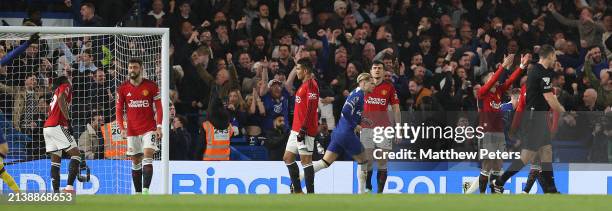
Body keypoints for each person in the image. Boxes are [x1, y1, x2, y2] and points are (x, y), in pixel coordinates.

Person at [492, 45, 565, 194]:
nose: (556, 59)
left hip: (538, 117)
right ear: (550, 56)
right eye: (555, 56)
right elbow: (549, 98)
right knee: (526, 157)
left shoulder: (535, 71)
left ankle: (551, 189)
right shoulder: (543, 73)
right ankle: (498, 182)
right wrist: (562, 110)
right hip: (534, 119)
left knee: (546, 152)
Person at [464, 53, 529, 194]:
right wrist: (503, 66)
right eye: (492, 75)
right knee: (487, 165)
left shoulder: (499, 91)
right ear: (487, 80)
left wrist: (521, 66)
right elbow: (494, 79)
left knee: (498, 165)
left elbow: (510, 80)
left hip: (499, 133)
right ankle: (482, 195)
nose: (495, 77)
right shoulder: (482, 92)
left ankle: (495, 193)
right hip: (487, 133)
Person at [304, 73, 376, 193]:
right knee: (363, 161)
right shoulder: (358, 95)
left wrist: (363, 120)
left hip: (338, 133)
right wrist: (355, 125)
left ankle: (298, 177)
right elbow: (345, 111)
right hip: (347, 133)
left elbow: (351, 113)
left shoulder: (357, 94)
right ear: (363, 82)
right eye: (372, 83)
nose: (374, 86)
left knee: (324, 162)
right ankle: (362, 193)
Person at [116, 58, 163, 195]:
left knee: (148, 155)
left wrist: (159, 126)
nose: (132, 70)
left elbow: (159, 108)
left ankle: (145, 191)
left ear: (141, 69)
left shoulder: (152, 86)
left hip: (150, 129)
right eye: (130, 67)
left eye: (135, 67)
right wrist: (122, 128)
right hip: (132, 130)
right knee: (136, 161)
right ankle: (137, 194)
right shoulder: (123, 88)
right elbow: (119, 110)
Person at [360, 60, 400, 193]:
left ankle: (380, 193)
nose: (377, 70)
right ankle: (368, 186)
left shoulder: (389, 87)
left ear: (383, 71)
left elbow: (396, 109)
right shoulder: (364, 86)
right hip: (366, 128)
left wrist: (398, 129)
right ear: (370, 71)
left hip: (384, 128)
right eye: (374, 68)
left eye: (380, 68)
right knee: (368, 160)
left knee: (383, 160)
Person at [283, 58, 319, 194]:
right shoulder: (304, 84)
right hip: (296, 129)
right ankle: (298, 191)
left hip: (305, 130)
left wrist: (303, 128)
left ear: (305, 71)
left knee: (306, 160)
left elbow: (311, 108)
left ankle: (310, 194)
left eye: (298, 69)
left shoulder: (311, 85)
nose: (296, 71)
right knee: (287, 157)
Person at [43, 76, 81, 193]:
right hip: (57, 126)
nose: (70, 79)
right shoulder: (66, 86)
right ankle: (69, 188)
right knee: (76, 155)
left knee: (55, 161)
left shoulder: (55, 91)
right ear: (65, 81)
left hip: (47, 128)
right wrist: (68, 121)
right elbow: (61, 99)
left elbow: (51, 110)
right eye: (69, 78)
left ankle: (56, 193)